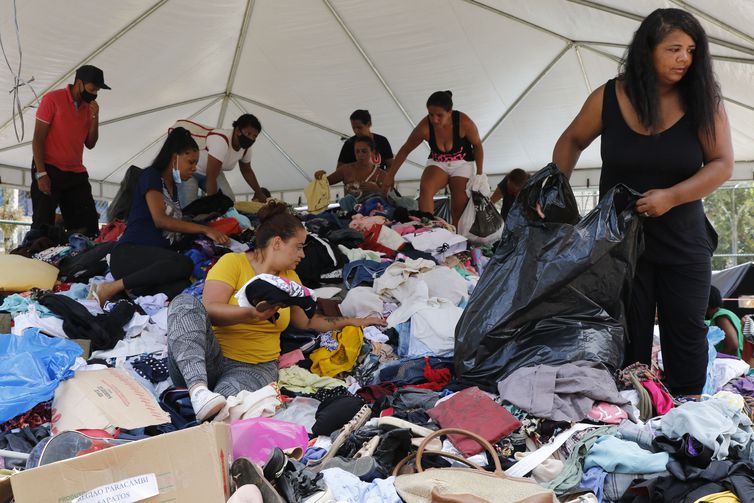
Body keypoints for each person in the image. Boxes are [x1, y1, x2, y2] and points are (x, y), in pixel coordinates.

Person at [552, 8, 733, 396]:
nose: (684, 58)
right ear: (647, 50)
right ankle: (628, 418)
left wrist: (672, 197)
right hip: (619, 245)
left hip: (683, 241)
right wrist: (554, 188)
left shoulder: (703, 100)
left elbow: (722, 164)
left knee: (685, 331)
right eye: (673, 49)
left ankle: (686, 415)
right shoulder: (609, 96)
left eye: (690, 50)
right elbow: (571, 140)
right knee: (624, 337)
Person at [167, 202, 385, 421]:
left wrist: (353, 321)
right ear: (278, 243)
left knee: (224, 411)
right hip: (209, 359)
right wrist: (251, 313)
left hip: (253, 368)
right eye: (298, 246)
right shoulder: (233, 262)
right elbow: (210, 310)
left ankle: (204, 404)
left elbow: (308, 323)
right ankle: (198, 391)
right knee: (183, 303)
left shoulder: (291, 279)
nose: (302, 254)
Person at [93, 128, 229, 305]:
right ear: (175, 158)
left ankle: (131, 292)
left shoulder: (173, 190)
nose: (194, 168)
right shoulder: (151, 176)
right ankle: (111, 287)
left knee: (182, 286)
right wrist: (205, 229)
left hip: (151, 263)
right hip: (129, 255)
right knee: (184, 263)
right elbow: (161, 220)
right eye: (191, 162)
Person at [30, 65, 111, 238]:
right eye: (93, 88)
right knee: (42, 225)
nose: (95, 93)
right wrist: (41, 173)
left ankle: (78, 260)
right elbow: (38, 139)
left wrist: (95, 118)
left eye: (97, 90)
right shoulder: (52, 99)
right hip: (49, 168)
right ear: (79, 83)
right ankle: (36, 256)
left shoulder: (89, 108)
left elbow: (90, 143)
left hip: (75, 172)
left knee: (87, 227)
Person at [385, 91, 484, 226]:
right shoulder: (424, 126)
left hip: (463, 164)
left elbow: (477, 146)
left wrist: (479, 173)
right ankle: (427, 229)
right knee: (426, 187)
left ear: (450, 112)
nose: (434, 119)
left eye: (439, 115)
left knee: (459, 204)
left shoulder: (464, 123)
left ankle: (459, 238)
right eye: (431, 114)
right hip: (438, 162)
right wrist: (390, 175)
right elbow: (405, 149)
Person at [178, 114, 266, 207]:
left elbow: (247, 171)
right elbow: (211, 177)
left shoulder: (246, 149)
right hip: (191, 172)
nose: (251, 138)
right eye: (248, 134)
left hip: (215, 172)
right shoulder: (221, 140)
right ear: (238, 130)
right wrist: (213, 204)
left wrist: (259, 193)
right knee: (188, 207)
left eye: (254, 136)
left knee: (229, 202)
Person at [315, 136, 389, 211]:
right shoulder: (346, 170)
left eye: (364, 151)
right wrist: (319, 177)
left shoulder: (381, 175)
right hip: (350, 216)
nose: (360, 154)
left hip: (374, 216)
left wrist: (376, 189)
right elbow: (324, 183)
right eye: (357, 151)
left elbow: (388, 200)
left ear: (373, 152)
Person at [706, 285, 743, 358]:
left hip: (731, 365)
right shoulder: (725, 313)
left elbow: (733, 347)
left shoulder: (721, 317)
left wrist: (713, 358)